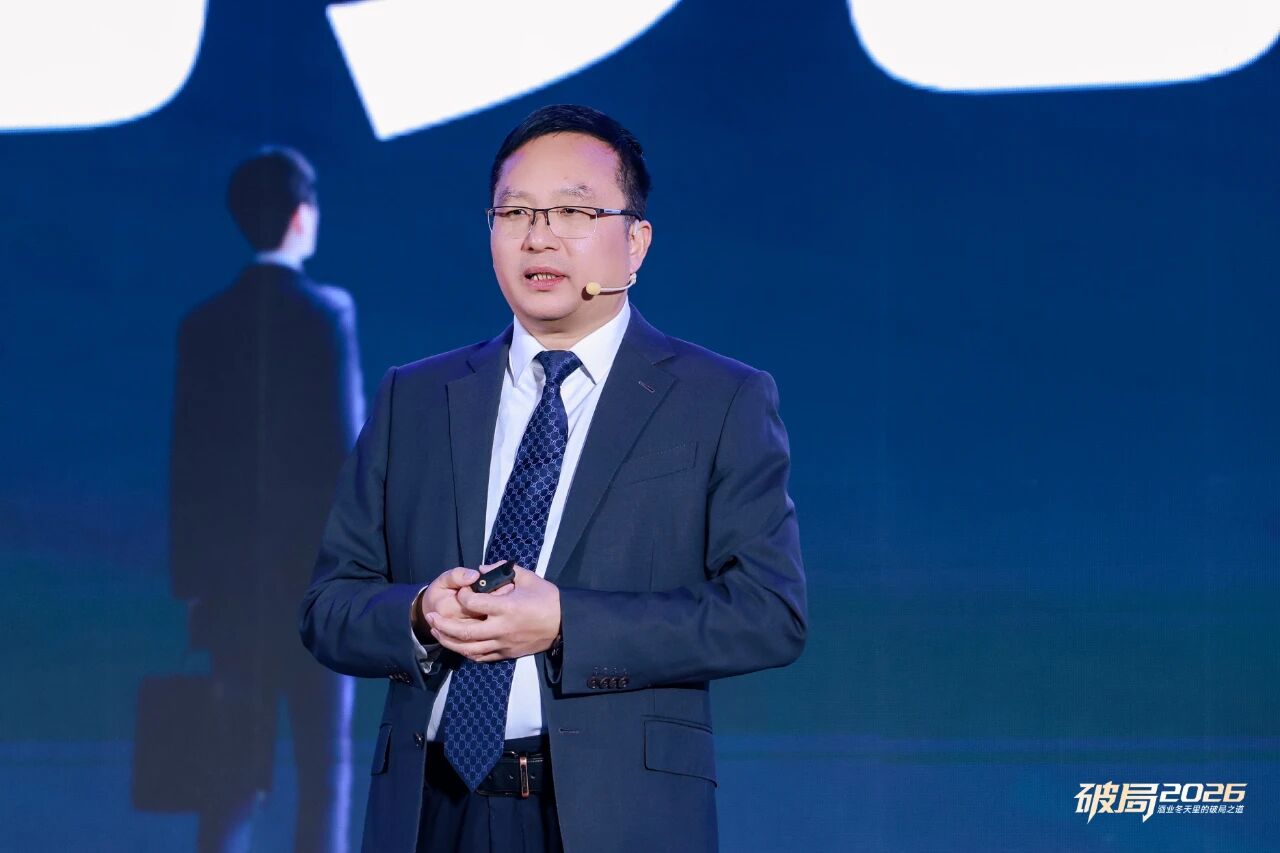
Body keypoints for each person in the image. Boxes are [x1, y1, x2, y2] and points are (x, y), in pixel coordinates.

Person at [300, 105, 806, 853]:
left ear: (635, 243)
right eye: (515, 213)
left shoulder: (718, 399)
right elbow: (329, 606)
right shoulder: (417, 396)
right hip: (429, 812)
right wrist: (419, 615)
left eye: (573, 211)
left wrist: (567, 622)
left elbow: (768, 612)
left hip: (612, 817)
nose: (538, 236)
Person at [170, 147, 361, 852]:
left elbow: (188, 464)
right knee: (323, 769)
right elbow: (344, 455)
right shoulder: (326, 313)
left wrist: (192, 583)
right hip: (315, 586)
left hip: (232, 590)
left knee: (230, 772)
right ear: (302, 216)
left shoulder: (203, 324)